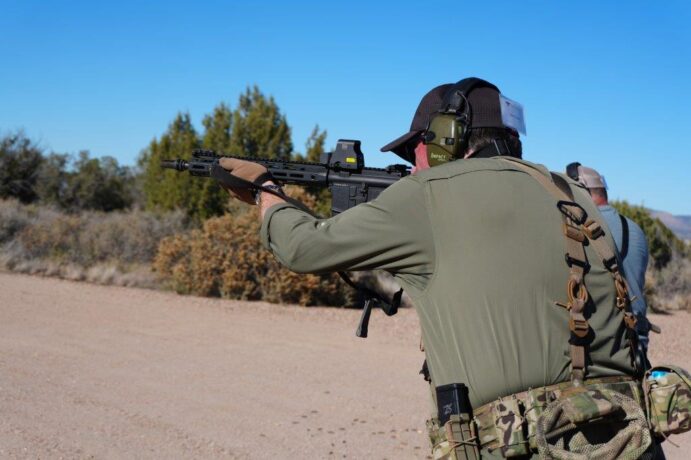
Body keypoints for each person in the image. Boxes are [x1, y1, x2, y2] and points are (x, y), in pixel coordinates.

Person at [219, 78, 660, 459]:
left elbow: (301, 247)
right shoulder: (571, 194)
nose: (413, 165)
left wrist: (265, 190)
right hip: (626, 439)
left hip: (526, 447)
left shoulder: (427, 195)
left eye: (415, 149)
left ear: (446, 139)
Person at [566, 163, 656, 356]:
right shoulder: (634, 229)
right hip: (637, 340)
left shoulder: (583, 228)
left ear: (580, 190)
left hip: (604, 344)